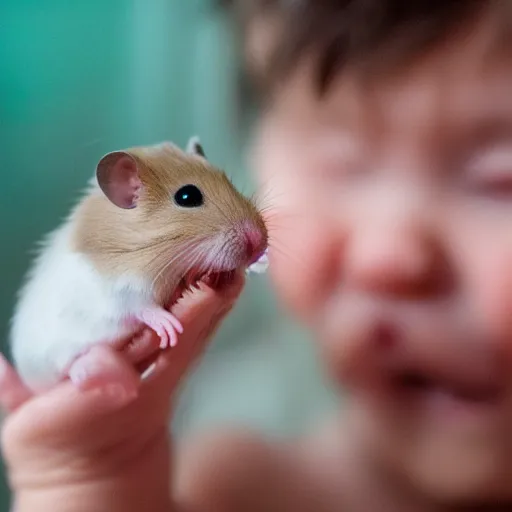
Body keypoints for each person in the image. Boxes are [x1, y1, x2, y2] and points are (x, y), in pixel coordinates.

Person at [2, 1, 512, 510]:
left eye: (500, 179)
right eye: (341, 164)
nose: (383, 256)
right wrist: (91, 476)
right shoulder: (243, 489)